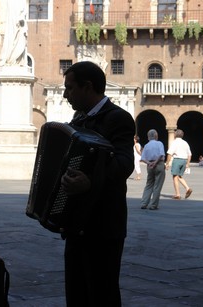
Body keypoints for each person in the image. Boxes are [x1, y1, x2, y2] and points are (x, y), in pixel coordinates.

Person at [60, 61, 135, 306]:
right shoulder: (77, 122)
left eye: (70, 88)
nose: (65, 94)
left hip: (103, 225)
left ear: (87, 87)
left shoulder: (118, 119)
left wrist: (89, 183)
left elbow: (124, 164)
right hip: (76, 221)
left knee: (102, 293)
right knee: (76, 291)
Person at [139, 129, 165, 210]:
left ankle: (144, 203)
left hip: (149, 166)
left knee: (149, 184)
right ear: (156, 136)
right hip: (159, 164)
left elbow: (142, 158)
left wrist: (149, 163)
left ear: (148, 137)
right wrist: (155, 162)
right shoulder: (159, 143)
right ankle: (153, 205)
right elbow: (161, 154)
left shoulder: (146, 145)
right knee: (157, 185)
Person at [0, 0, 28, 67]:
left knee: (21, 41)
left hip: (20, 24)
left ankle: (18, 60)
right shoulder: (10, 2)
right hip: (12, 25)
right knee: (11, 38)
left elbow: (24, 10)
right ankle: (10, 58)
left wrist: (21, 17)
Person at [165, 129, 192, 200]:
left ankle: (177, 194)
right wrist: (188, 164)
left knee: (174, 176)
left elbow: (170, 153)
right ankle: (187, 188)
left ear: (175, 134)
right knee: (179, 176)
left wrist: (167, 163)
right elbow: (189, 154)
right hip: (184, 160)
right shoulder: (185, 143)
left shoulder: (175, 142)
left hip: (177, 160)